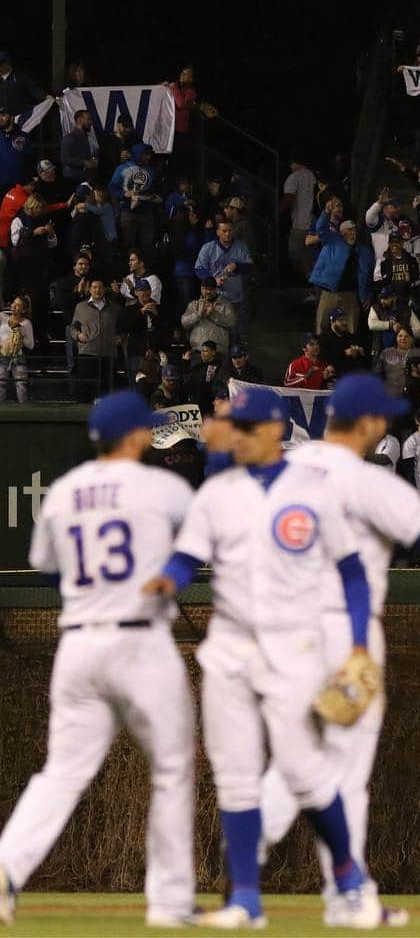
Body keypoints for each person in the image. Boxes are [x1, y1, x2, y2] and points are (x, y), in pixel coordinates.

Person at [152, 387, 380, 928]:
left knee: (304, 769)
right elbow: (188, 556)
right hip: (229, 645)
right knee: (234, 776)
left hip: (293, 645)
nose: (236, 435)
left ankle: (348, 874)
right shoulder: (217, 493)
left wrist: (357, 644)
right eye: (234, 427)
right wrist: (168, 579)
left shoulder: (314, 491)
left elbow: (352, 572)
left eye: (246, 427)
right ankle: (245, 902)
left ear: (275, 430)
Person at [257, 374, 420, 925]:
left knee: (298, 755)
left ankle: (247, 846)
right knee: (346, 768)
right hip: (346, 631)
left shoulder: (287, 471)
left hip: (286, 627)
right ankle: (347, 899)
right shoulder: (361, 477)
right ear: (371, 424)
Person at [0, 392, 195, 928]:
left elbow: (45, 563)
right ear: (134, 436)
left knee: (61, 773)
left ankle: (5, 868)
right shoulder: (162, 486)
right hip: (141, 641)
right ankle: (171, 902)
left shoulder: (64, 492)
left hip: (79, 643)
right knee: (172, 769)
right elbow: (200, 540)